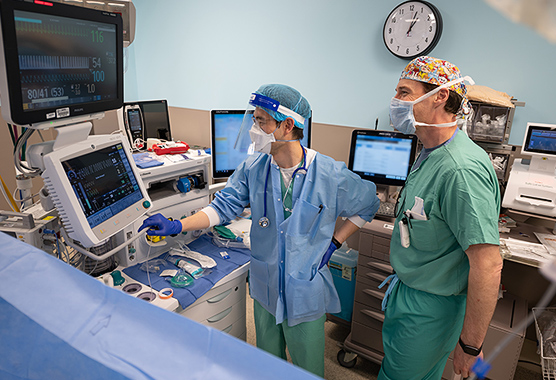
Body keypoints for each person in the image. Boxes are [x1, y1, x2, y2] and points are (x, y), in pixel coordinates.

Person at [139, 84, 379, 377]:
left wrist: (334, 243)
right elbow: (222, 207)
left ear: (287, 125)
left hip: (304, 290)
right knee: (268, 366)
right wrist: (177, 226)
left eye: (261, 120)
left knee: (308, 370)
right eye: (253, 119)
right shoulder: (254, 168)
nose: (254, 128)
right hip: (265, 287)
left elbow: (369, 204)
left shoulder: (329, 174)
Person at [379, 56, 503, 379]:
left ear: (440, 96)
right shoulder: (429, 152)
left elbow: (488, 266)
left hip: (430, 310)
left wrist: (471, 346)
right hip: (411, 295)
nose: (396, 102)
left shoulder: (460, 170)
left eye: (404, 92)